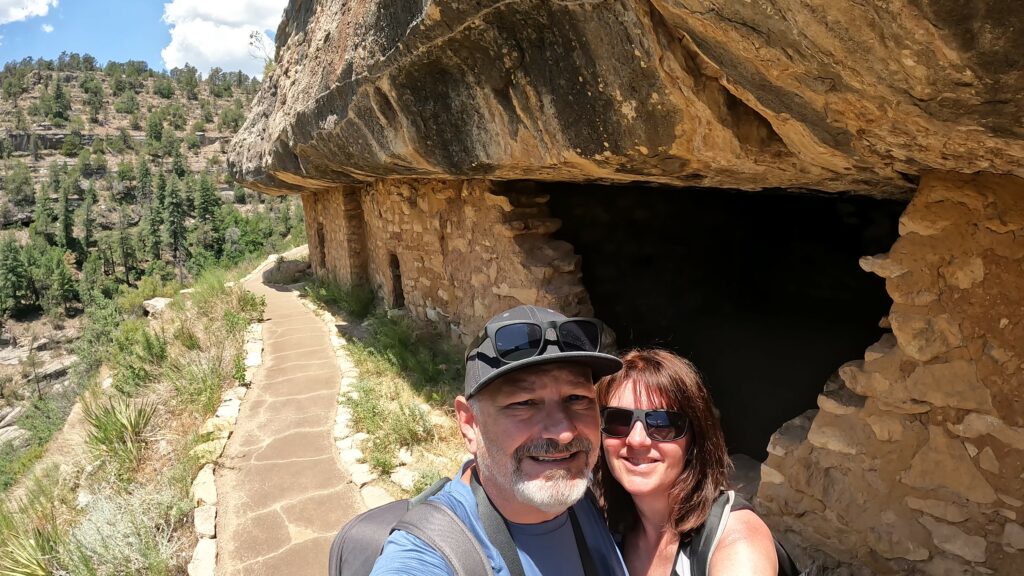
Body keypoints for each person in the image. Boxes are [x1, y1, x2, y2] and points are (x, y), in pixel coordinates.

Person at [370, 305, 628, 576]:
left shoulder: (590, 493)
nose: (563, 432)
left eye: (576, 398)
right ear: (470, 424)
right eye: (525, 403)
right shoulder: (429, 554)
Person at [595, 348, 779, 576]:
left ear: (695, 439)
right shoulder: (606, 528)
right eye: (618, 421)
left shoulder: (735, 539)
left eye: (662, 423)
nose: (636, 440)